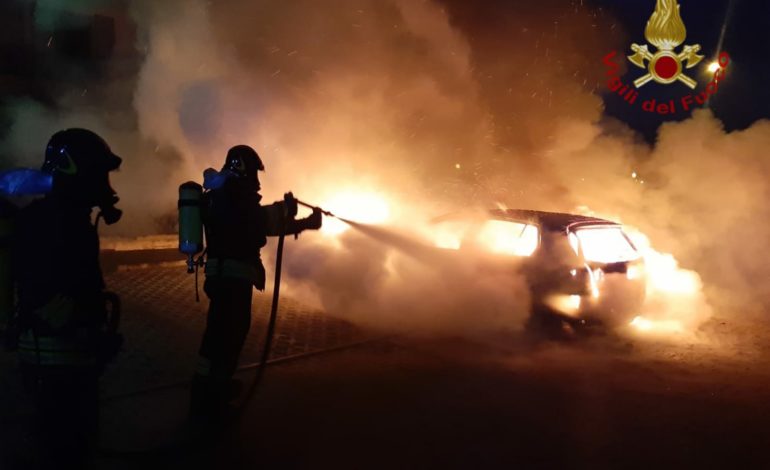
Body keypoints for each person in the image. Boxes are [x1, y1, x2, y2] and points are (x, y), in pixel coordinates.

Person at [12, 128, 123, 468]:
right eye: (99, 173)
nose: (105, 184)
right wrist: (89, 333)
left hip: (60, 360)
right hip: (57, 362)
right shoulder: (56, 225)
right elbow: (51, 295)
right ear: (78, 172)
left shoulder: (60, 219)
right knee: (65, 450)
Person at [190, 145, 321, 422]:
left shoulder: (221, 194)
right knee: (229, 337)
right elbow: (255, 223)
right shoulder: (231, 195)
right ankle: (213, 399)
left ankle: (207, 389)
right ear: (241, 168)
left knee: (217, 337)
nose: (257, 181)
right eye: (253, 173)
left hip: (223, 276)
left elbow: (256, 223)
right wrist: (287, 211)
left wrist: (301, 222)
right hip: (232, 279)